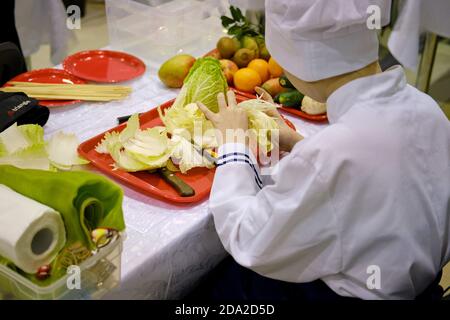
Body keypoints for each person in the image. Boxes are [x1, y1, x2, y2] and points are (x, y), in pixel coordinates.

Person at [195, 0, 450, 300]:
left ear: (301, 60)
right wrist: (299, 144)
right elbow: (375, 179)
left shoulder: (331, 155)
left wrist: (234, 147)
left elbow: (248, 238)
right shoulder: (428, 109)